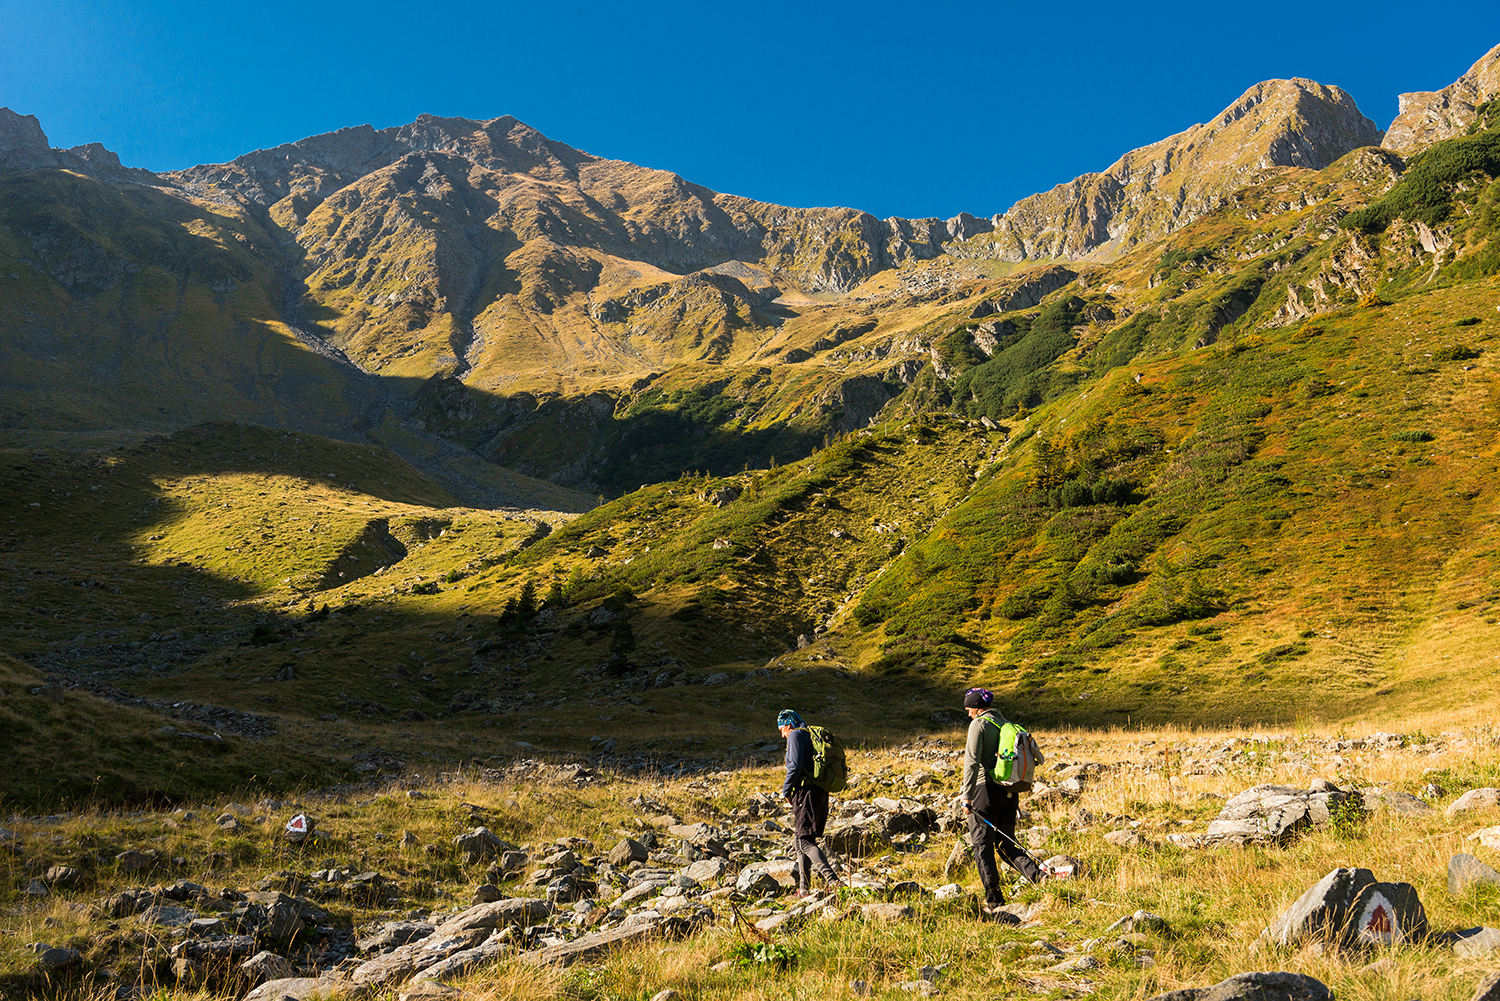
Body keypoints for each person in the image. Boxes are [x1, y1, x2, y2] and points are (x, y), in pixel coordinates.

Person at [961, 688, 1043, 918]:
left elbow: (972, 762)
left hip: (983, 791)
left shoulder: (979, 725)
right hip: (1008, 792)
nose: (969, 715)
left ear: (977, 707)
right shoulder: (1005, 723)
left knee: (981, 846)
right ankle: (1040, 878)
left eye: (969, 710)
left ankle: (994, 901)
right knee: (1007, 843)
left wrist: (967, 796)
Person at [777, 709, 845, 896]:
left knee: (805, 841)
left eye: (782, 729)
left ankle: (833, 881)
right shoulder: (807, 735)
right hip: (818, 791)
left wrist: (786, 790)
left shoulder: (795, 735)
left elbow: (795, 765)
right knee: (801, 840)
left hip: (806, 793)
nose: (782, 735)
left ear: (788, 725)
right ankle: (803, 889)